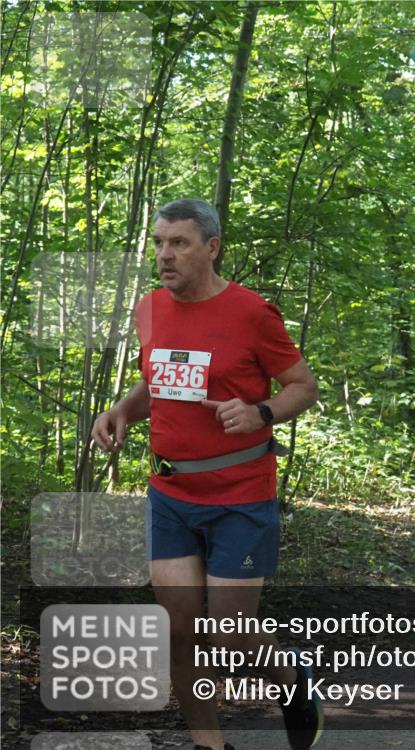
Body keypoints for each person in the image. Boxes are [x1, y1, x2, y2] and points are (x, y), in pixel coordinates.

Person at [91, 199, 322, 750]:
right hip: (171, 493)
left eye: (179, 243)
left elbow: (302, 386)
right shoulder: (149, 309)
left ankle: (291, 680)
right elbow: (161, 381)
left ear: (211, 248)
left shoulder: (251, 312)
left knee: (230, 635)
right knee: (179, 631)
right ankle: (209, 744)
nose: (165, 255)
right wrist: (122, 410)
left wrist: (260, 413)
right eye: (159, 243)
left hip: (240, 497)